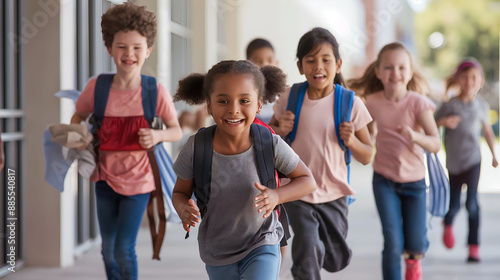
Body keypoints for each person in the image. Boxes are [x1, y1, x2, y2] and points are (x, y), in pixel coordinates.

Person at [172, 60, 316, 280]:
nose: (233, 109)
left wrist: (277, 195)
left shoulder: (269, 143)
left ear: (258, 105)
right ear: (209, 106)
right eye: (223, 101)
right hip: (217, 251)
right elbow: (179, 193)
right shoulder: (196, 147)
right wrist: (183, 209)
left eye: (244, 100)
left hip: (262, 241)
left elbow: (307, 180)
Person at [70, 3, 182, 279]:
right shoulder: (97, 87)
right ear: (109, 49)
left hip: (140, 180)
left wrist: (157, 135)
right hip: (103, 177)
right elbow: (77, 117)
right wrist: (78, 137)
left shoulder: (154, 91)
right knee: (107, 249)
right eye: (121, 46)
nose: (129, 54)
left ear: (148, 50)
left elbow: (175, 130)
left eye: (136, 47)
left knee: (123, 247)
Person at [269, 27, 373, 280]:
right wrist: (278, 129)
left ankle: (325, 257)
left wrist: (352, 141)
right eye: (311, 60)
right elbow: (266, 137)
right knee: (307, 246)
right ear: (300, 66)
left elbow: (367, 154)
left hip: (335, 193)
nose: (318, 66)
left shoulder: (350, 103)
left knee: (334, 257)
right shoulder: (289, 98)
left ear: (337, 64)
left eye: (326, 60)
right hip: (298, 189)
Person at [348, 42, 441, 280]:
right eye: (388, 67)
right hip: (384, 180)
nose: (395, 73)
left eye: (401, 67)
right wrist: (370, 136)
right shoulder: (372, 102)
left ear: (410, 72)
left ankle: (414, 256)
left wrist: (414, 136)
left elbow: (435, 143)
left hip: (415, 183)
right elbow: (367, 140)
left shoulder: (418, 103)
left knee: (416, 241)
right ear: (378, 72)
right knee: (392, 242)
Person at [435, 59, 498, 263]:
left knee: (472, 204)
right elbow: (431, 124)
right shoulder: (449, 105)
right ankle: (448, 222)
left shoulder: (482, 105)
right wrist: (443, 122)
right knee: (454, 205)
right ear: (458, 80)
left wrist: (494, 155)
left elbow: (487, 130)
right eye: (465, 77)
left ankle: (473, 247)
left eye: (474, 78)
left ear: (480, 81)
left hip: (473, 161)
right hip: (453, 163)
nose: (469, 82)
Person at [246, 38, 280, 124]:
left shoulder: (283, 99)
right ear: (247, 64)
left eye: (269, 60)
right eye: (258, 61)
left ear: (276, 64)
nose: (264, 65)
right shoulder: (242, 97)